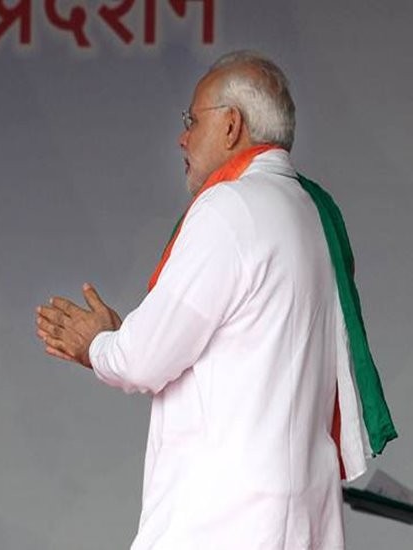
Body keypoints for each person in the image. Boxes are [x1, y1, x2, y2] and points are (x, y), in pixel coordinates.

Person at [35, 51, 395, 549]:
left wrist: (98, 344)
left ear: (231, 125)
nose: (182, 138)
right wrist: (124, 337)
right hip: (299, 518)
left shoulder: (230, 209)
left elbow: (142, 360)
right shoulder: (312, 212)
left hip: (224, 521)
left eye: (192, 120)